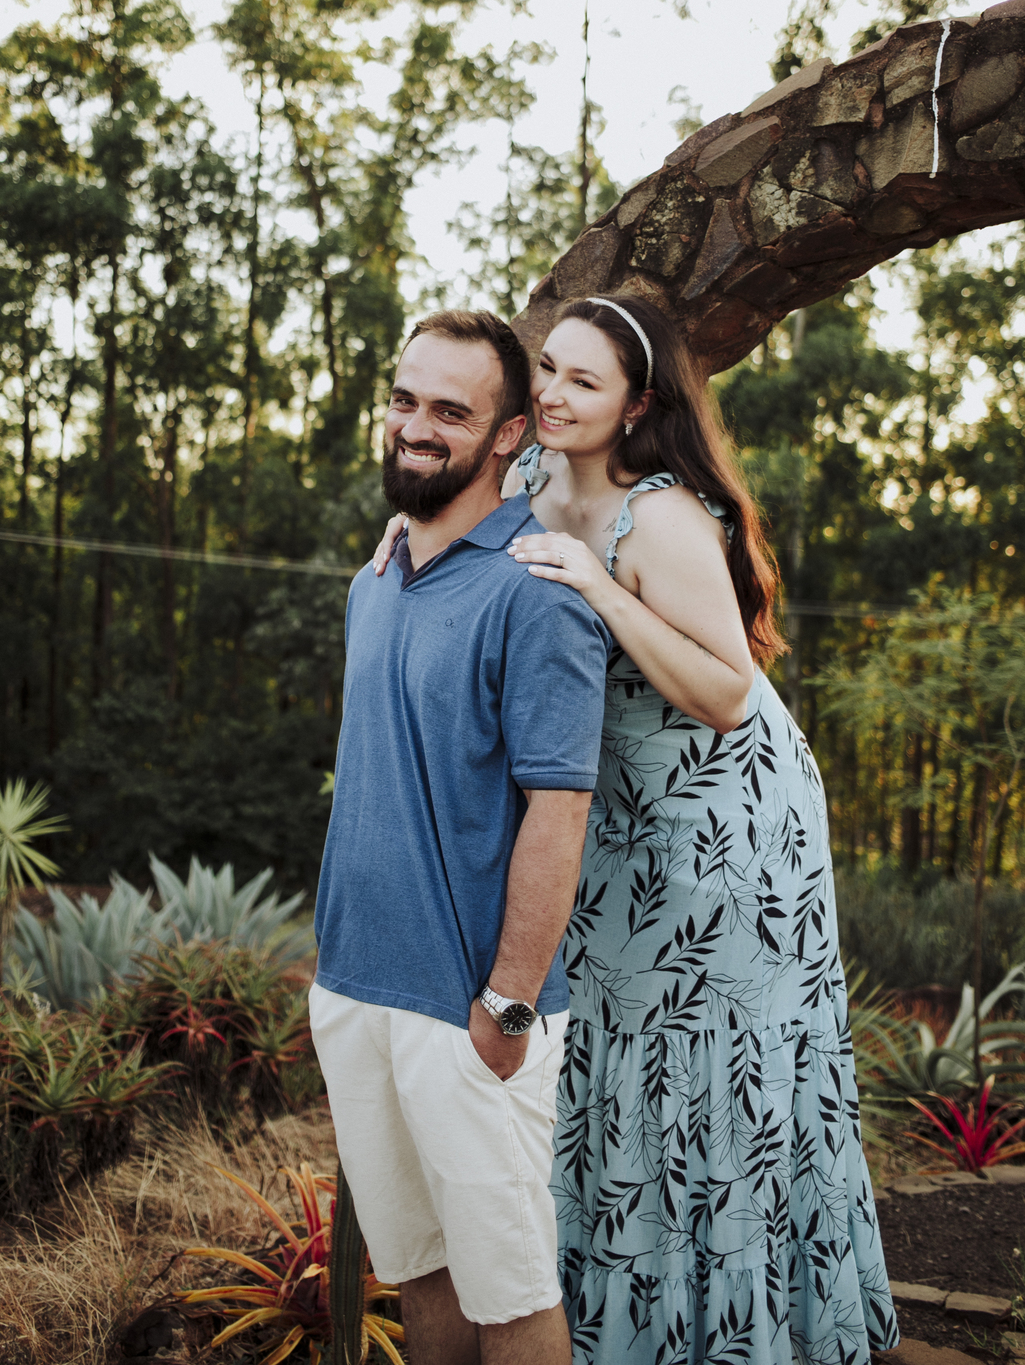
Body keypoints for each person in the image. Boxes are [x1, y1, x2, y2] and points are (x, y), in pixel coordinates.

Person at [374, 293, 898, 1365]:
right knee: (612, 1076)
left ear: (638, 405)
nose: (554, 394)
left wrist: (602, 588)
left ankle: (729, 1336)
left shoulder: (660, 517)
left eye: (585, 381)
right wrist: (411, 528)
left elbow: (729, 694)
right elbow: (464, 528)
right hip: (610, 830)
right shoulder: (528, 474)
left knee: (704, 1080)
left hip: (724, 836)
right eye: (549, 370)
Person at [311, 308, 611, 1365]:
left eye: (450, 411)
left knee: (513, 1293)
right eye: (404, 400)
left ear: (509, 435)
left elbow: (560, 811)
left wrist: (509, 1001)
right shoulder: (375, 580)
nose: (415, 426)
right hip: (356, 989)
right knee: (421, 1271)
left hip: (472, 1012)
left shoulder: (539, 594)